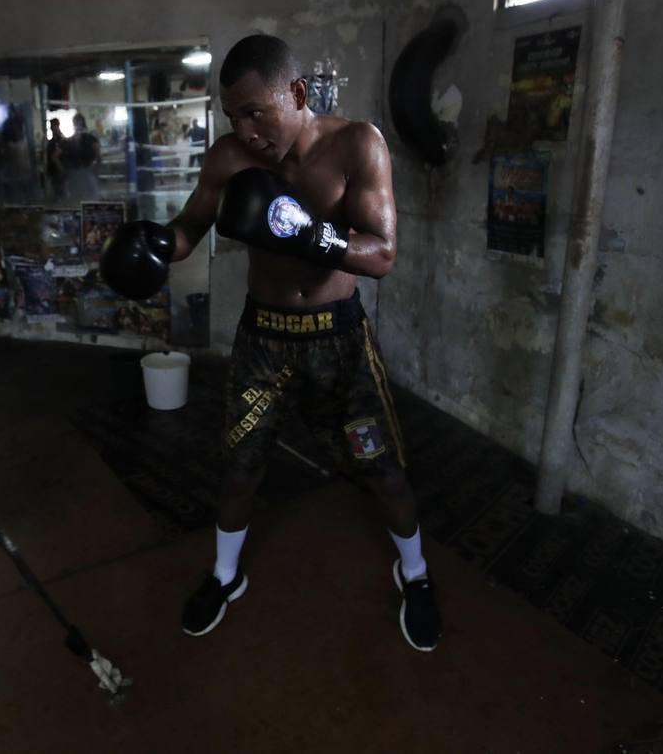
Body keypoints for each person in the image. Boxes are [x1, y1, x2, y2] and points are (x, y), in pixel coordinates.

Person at [99, 34, 441, 651]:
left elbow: (383, 253)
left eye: (256, 111)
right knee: (240, 463)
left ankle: (415, 573)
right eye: (234, 116)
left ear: (298, 93)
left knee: (382, 466)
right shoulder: (230, 158)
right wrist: (152, 245)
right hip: (265, 337)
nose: (247, 130)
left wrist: (311, 236)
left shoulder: (356, 145)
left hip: (339, 337)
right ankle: (226, 576)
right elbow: (189, 228)